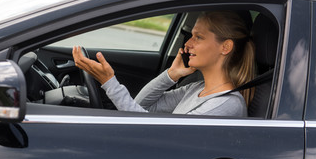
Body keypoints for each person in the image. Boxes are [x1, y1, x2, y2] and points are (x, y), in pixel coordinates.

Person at [72, 11, 255, 117]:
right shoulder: (196, 89)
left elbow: (152, 131)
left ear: (226, 47)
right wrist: (172, 74)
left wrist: (109, 83)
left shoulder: (225, 105)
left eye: (198, 37)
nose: (188, 44)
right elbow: (142, 106)